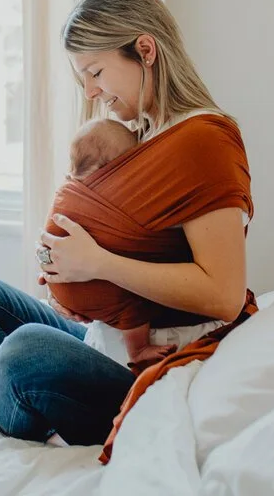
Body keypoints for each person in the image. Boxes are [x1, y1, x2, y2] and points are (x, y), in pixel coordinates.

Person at [0, 0, 257, 456]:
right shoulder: (141, 131)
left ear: (145, 49)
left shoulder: (204, 141)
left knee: (26, 351)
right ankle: (17, 392)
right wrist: (65, 269)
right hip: (110, 340)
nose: (91, 91)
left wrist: (95, 265)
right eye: (83, 77)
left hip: (154, 368)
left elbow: (223, 295)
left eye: (96, 71)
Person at [57, 117, 172, 371]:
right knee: (131, 296)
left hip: (62, 287)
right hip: (89, 290)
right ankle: (139, 349)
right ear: (110, 169)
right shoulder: (108, 199)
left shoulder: (67, 188)